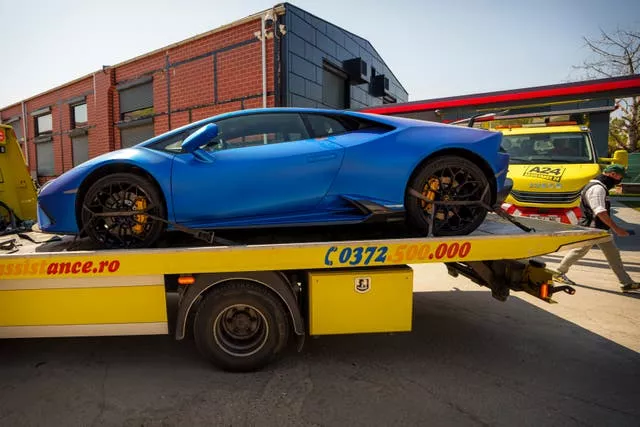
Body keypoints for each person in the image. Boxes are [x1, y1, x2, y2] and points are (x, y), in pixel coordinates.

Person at [553, 164, 640, 292]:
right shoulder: (597, 189)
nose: (620, 181)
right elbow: (599, 211)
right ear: (613, 175)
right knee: (581, 251)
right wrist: (617, 229)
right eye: (620, 177)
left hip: (598, 228)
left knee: (612, 254)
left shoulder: (598, 186)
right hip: (594, 229)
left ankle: (626, 282)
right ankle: (558, 272)